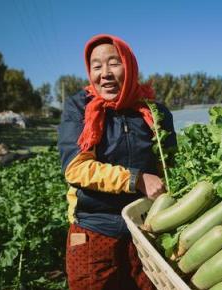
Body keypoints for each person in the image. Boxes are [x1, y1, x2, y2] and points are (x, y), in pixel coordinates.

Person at [57, 34, 176, 290]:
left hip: (145, 230)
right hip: (94, 229)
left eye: (114, 63)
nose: (105, 73)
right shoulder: (80, 107)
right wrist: (136, 179)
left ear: (129, 65)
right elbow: (76, 168)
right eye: (96, 66)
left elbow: (173, 164)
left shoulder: (155, 111)